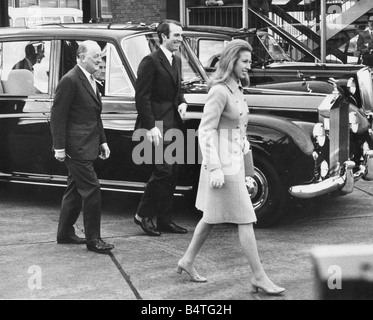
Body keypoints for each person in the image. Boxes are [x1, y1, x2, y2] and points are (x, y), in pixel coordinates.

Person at [177, 39, 285, 295]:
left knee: (211, 217)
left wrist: (246, 155)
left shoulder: (237, 89)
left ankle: (187, 260)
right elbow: (205, 131)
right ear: (232, 61)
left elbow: (238, 129)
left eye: (249, 62)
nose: (249, 66)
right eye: (245, 61)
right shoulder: (219, 91)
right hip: (222, 167)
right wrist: (214, 167)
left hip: (235, 162)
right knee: (246, 219)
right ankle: (259, 277)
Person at [50, 40, 114, 254]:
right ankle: (93, 240)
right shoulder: (70, 80)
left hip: (88, 144)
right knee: (92, 189)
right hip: (75, 148)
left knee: (75, 190)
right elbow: (57, 116)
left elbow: (95, 116)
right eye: (96, 56)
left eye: (100, 56)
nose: (99, 60)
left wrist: (103, 141)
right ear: (81, 57)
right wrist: (59, 147)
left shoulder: (90, 79)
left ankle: (65, 233)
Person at [133, 20, 188, 237]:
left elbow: (177, 88)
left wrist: (182, 101)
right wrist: (150, 126)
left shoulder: (176, 60)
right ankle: (142, 215)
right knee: (163, 170)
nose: (179, 40)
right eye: (176, 35)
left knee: (172, 173)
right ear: (163, 37)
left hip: (172, 124)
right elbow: (141, 96)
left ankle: (165, 220)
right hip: (155, 127)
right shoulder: (150, 61)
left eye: (181, 36)